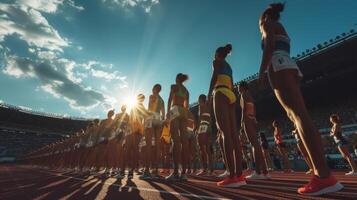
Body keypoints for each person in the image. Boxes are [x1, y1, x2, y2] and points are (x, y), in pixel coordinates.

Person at [258, 3, 343, 195]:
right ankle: (321, 174)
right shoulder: (282, 27)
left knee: (298, 116)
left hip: (278, 65)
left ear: (264, 17)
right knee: (299, 116)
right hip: (289, 64)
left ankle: (323, 176)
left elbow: (269, 46)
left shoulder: (267, 24)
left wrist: (262, 71)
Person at [208, 44, 245, 187]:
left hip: (220, 92)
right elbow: (232, 82)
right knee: (233, 134)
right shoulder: (229, 66)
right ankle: (240, 175)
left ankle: (231, 176)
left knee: (225, 134)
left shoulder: (216, 61)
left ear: (217, 54)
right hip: (231, 94)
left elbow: (214, 77)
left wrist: (209, 93)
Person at [238, 81, 269, 179]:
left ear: (242, 87)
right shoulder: (250, 95)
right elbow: (253, 109)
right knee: (256, 145)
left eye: (239, 87)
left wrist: (242, 121)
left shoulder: (243, 94)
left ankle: (258, 172)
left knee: (254, 145)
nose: (238, 89)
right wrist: (254, 118)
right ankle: (265, 172)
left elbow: (244, 109)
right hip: (252, 118)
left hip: (247, 119)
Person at [166, 73, 190, 181]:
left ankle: (175, 172)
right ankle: (184, 173)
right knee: (184, 142)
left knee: (175, 141)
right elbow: (187, 106)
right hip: (184, 112)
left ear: (176, 79)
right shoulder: (186, 91)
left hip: (175, 109)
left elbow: (170, 99)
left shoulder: (174, 86)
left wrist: (167, 113)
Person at [140, 84, 165, 179]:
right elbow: (163, 114)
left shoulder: (151, 96)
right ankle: (155, 170)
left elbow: (150, 108)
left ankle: (146, 171)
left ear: (154, 89)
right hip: (158, 118)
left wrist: (144, 120)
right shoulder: (162, 100)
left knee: (149, 145)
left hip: (151, 118)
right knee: (157, 146)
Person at [128, 94, 150, 179]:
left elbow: (146, 116)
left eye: (142, 98)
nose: (141, 99)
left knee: (135, 149)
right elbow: (131, 118)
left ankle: (134, 168)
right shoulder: (134, 107)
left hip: (138, 131)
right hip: (133, 130)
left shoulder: (142, 107)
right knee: (131, 149)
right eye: (140, 98)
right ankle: (133, 168)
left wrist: (143, 128)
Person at [196, 94, 214, 176]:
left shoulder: (201, 106)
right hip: (209, 127)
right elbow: (209, 118)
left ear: (200, 99)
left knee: (202, 148)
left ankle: (204, 169)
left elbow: (200, 119)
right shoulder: (208, 106)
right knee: (207, 149)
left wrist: (198, 130)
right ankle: (211, 169)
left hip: (203, 126)